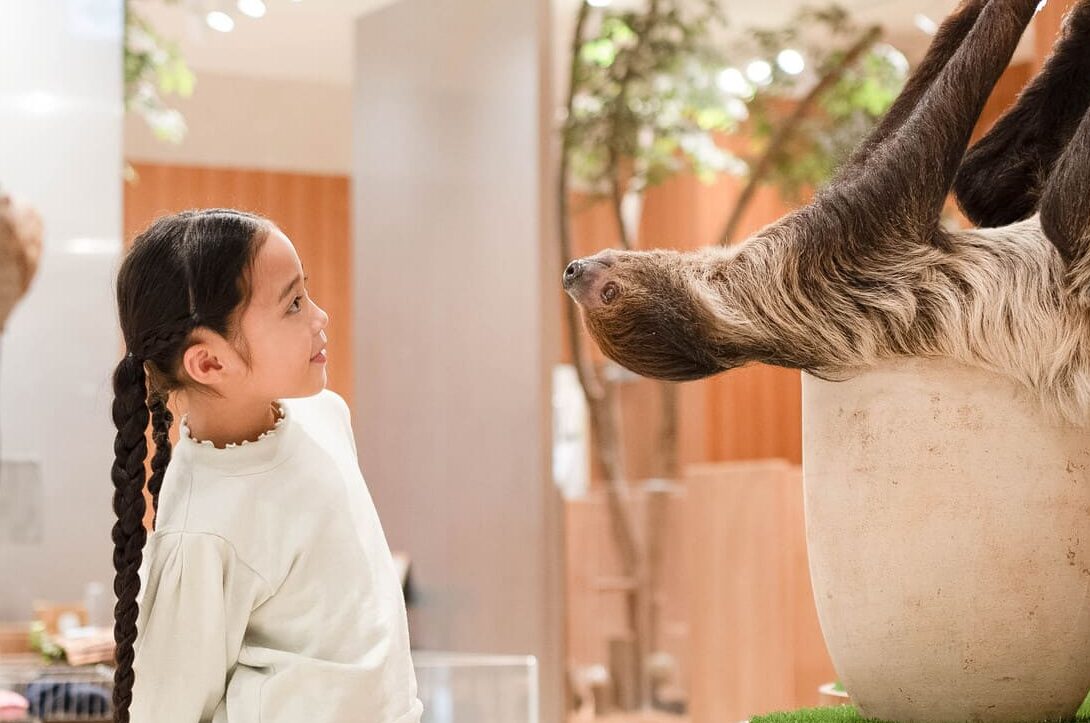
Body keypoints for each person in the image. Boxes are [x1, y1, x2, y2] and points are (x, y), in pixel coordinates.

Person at [110, 209, 422, 723]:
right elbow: (165, 709)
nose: (320, 316)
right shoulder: (200, 529)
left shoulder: (325, 415)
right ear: (209, 362)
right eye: (293, 304)